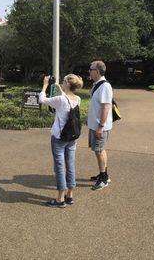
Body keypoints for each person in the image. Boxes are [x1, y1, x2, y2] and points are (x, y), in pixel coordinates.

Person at [39, 74, 84, 208]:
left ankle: (60, 199)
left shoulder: (60, 100)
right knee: (70, 165)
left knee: (59, 167)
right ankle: (69, 195)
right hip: (72, 137)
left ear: (68, 84)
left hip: (59, 137)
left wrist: (45, 85)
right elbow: (66, 98)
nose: (63, 83)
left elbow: (42, 99)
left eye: (64, 81)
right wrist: (58, 86)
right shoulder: (78, 99)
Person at [87, 60, 113, 190]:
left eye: (90, 69)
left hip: (100, 126)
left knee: (99, 150)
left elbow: (106, 107)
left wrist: (101, 126)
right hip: (95, 125)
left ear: (96, 71)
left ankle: (104, 178)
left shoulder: (105, 86)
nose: (89, 71)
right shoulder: (97, 84)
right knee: (98, 151)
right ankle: (103, 174)